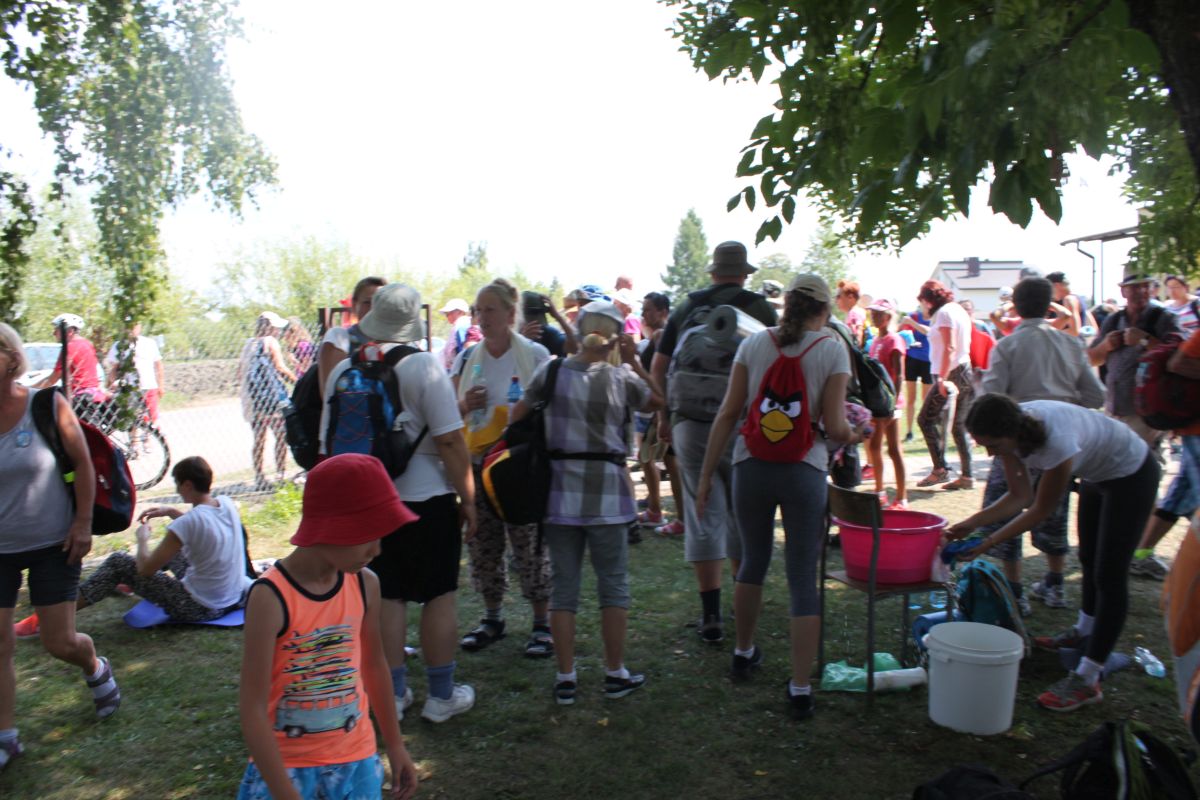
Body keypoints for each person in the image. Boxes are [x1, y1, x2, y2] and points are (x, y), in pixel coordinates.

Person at [696, 274, 859, 720]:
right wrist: (855, 432)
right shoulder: (831, 348)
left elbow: (729, 412)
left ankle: (743, 651)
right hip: (805, 469)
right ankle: (800, 686)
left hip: (750, 466)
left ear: (787, 304)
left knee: (752, 561)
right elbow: (835, 425)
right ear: (824, 309)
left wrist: (706, 475)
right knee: (802, 577)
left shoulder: (753, 343)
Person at [321, 283, 479, 723]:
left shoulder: (344, 370)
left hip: (370, 504)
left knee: (386, 597)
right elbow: (450, 441)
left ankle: (392, 694)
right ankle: (441, 696)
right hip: (426, 500)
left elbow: (328, 446)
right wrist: (469, 499)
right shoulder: (424, 366)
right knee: (438, 595)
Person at [948, 394, 1159, 712]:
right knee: (1088, 559)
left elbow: (1039, 510)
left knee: (1109, 575)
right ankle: (1083, 632)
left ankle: (1088, 677)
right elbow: (1019, 496)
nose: (990, 453)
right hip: (1098, 474)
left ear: (1011, 433)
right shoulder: (1012, 434)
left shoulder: (1055, 442)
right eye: (983, 445)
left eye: (993, 445)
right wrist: (971, 524)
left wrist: (989, 542)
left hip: (1133, 474)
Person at [237, 454, 418, 800]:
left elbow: (374, 666)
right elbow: (252, 708)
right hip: (287, 770)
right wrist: (283, 792)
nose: (377, 549)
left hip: (356, 761)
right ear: (331, 525)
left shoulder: (365, 584)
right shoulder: (270, 597)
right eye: (367, 535)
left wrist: (395, 745)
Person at [514, 301, 663, 704]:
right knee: (612, 586)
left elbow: (517, 416)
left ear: (578, 332)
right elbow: (658, 400)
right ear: (615, 338)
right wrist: (635, 361)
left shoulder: (551, 372)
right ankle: (615, 673)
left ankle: (566, 677)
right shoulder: (621, 378)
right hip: (609, 497)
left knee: (564, 590)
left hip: (558, 495)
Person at [2, 322, 119, 771]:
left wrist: (83, 523)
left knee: (59, 642)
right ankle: (6, 737)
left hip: (55, 543)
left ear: (11, 359)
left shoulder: (47, 405)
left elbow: (83, 464)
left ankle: (95, 667)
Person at [650, 241, 778, 644]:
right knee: (742, 512)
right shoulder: (760, 309)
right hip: (741, 425)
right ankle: (743, 602)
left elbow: (659, 365)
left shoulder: (688, 307)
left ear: (713, 272)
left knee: (700, 510)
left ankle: (710, 615)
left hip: (690, 423)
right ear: (744, 273)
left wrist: (664, 416)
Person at [977, 277, 1106, 615]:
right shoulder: (1070, 344)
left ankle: (1015, 590)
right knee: (1054, 508)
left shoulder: (1007, 345)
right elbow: (1095, 396)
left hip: (1016, 437)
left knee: (1007, 506)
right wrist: (1065, 407)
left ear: (1017, 307)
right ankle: (1055, 583)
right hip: (1061, 436)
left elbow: (992, 396)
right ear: (1049, 306)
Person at [451, 278, 554, 657]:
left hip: (520, 467)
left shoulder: (536, 355)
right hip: (479, 466)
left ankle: (542, 624)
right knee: (484, 544)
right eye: (478, 310)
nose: (482, 317)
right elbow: (448, 413)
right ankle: (492, 618)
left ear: (511, 314)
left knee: (528, 544)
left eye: (490, 309)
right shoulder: (467, 358)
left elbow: (553, 408)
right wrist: (465, 405)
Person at [1087, 267, 1182, 462]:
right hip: (1115, 410)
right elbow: (1091, 359)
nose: (1142, 291)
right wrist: (1105, 346)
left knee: (1144, 464)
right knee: (1118, 465)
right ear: (1123, 291)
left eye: (1146, 286)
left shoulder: (1165, 319)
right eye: (1135, 287)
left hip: (1148, 412)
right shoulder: (1113, 320)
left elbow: (1178, 358)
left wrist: (1145, 340)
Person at [1129, 326, 1200, 580]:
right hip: (1197, 432)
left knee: (1179, 496)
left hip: (1193, 431)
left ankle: (1140, 554)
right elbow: (1177, 363)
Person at [914, 280, 976, 489]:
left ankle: (940, 470)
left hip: (951, 374)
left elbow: (950, 347)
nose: (922, 307)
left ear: (928, 300)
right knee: (959, 426)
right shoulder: (957, 310)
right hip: (965, 370)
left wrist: (942, 377)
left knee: (925, 420)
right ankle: (967, 476)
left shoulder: (943, 313)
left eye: (922, 302)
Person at [634, 292, 681, 532]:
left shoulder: (664, 336)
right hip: (657, 409)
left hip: (660, 410)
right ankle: (655, 510)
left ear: (663, 312)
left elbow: (661, 376)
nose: (643, 314)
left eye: (648, 309)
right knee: (652, 460)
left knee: (666, 462)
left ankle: (677, 517)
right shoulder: (658, 336)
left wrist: (660, 414)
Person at [237, 311, 297, 489]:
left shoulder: (248, 344)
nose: (278, 331)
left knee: (259, 439)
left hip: (254, 399)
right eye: (276, 327)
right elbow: (280, 367)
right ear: (269, 327)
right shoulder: (271, 342)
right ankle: (280, 473)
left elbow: (240, 372)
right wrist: (298, 381)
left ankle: (259, 476)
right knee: (281, 435)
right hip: (272, 399)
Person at [864, 299, 908, 509]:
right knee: (875, 447)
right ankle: (879, 492)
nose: (874, 316)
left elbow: (899, 375)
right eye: (872, 313)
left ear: (888, 317)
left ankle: (901, 497)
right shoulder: (875, 340)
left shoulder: (894, 340)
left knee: (893, 450)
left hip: (889, 404)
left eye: (879, 313)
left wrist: (893, 403)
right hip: (877, 403)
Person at [318, 276, 386, 397]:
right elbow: (329, 395)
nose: (374, 308)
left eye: (380, 302)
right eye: (367, 302)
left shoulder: (396, 343)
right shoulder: (339, 338)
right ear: (354, 305)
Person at [35, 313, 105, 407]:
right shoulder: (87, 344)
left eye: (57, 329)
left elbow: (53, 378)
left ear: (70, 331)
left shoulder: (69, 347)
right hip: (94, 395)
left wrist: (31, 389)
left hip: (80, 398)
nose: (54, 333)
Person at [104, 320, 165, 422]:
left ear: (139, 327)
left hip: (149, 386)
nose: (132, 329)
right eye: (128, 326)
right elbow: (114, 369)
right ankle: (134, 432)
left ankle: (150, 431)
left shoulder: (149, 343)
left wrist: (161, 386)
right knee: (131, 419)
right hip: (129, 389)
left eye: (135, 325)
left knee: (152, 419)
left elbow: (159, 365)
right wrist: (114, 382)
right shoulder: (119, 345)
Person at [898, 307, 932, 441]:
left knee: (926, 399)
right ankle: (909, 431)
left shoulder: (935, 318)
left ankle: (926, 430)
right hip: (912, 359)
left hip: (928, 360)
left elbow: (929, 332)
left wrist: (912, 323)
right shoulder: (913, 315)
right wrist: (902, 323)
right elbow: (897, 332)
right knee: (911, 398)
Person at [519, 291, 577, 358]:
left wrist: (558, 317)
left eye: (538, 322)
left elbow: (574, 349)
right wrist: (522, 341)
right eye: (530, 321)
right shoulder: (513, 336)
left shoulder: (548, 332)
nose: (535, 326)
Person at [1045, 271, 1097, 338]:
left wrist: (1048, 334)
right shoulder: (1078, 299)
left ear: (1056, 285)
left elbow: (1074, 331)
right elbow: (1094, 328)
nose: (1049, 294)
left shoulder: (1068, 300)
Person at [439, 297, 475, 372]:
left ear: (460, 312)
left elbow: (463, 351)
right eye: (446, 314)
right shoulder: (465, 323)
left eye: (449, 313)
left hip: (460, 369)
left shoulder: (461, 324)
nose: (447, 316)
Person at [835, 280, 866, 347]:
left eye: (838, 296)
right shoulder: (854, 312)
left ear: (850, 297)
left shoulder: (854, 313)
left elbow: (858, 339)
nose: (836, 300)